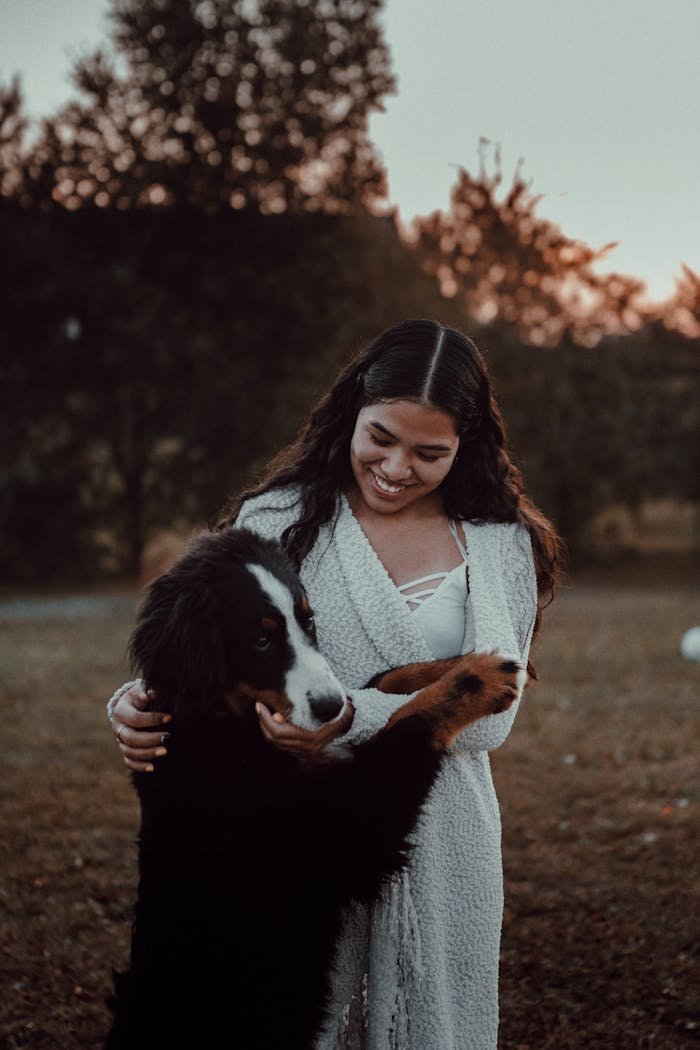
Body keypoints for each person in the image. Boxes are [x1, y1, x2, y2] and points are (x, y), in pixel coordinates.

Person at [108, 318, 563, 1050]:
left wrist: (347, 715)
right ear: (353, 407)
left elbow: (489, 715)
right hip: (277, 822)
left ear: (466, 444)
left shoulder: (499, 540)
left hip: (443, 836)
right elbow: (205, 640)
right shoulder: (279, 517)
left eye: (429, 452)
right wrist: (131, 702)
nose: (395, 467)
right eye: (379, 436)